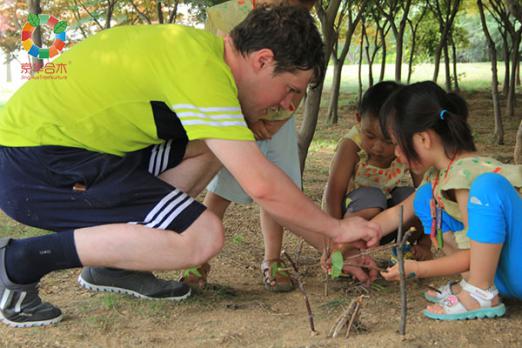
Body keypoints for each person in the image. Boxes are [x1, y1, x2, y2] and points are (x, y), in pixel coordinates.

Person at [0, 6, 381, 328]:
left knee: (208, 150)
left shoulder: (199, 52)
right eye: (291, 89)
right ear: (263, 60)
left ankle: (112, 266)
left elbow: (261, 183)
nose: (286, 104)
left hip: (68, 154)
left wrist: (334, 247)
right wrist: (335, 227)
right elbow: (262, 187)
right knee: (204, 237)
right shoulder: (203, 74)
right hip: (35, 166)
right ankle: (18, 262)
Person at [190, 0, 315, 293]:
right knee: (220, 190)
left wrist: (273, 123)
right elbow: (215, 71)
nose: (298, 14)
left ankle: (273, 259)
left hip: (276, 126)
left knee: (278, 188)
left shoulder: (298, 31)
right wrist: (247, 118)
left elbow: (298, 84)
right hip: (233, 119)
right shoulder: (225, 15)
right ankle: (198, 259)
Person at [376, 81, 522, 320]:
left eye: (397, 143)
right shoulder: (440, 175)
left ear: (423, 139)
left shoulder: (467, 176)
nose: (396, 153)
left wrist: (419, 269)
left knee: (488, 186)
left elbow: (475, 253)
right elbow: (398, 212)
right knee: (425, 198)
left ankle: (479, 291)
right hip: (505, 277)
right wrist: (353, 235)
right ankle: (474, 283)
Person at [321, 82, 431, 282]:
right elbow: (333, 193)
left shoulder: (406, 144)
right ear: (358, 120)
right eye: (370, 136)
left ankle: (405, 250)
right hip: (354, 215)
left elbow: (425, 191)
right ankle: (349, 252)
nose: (378, 147)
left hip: (388, 223)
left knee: (410, 198)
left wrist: (425, 243)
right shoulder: (351, 147)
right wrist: (334, 241)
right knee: (373, 197)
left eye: (389, 141)